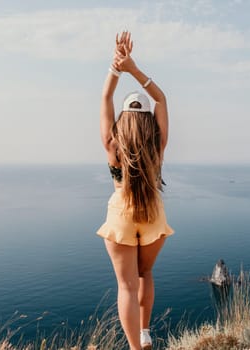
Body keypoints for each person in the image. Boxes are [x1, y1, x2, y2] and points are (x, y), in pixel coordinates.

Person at [96, 31, 174, 350]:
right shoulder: (157, 143)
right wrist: (134, 68)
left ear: (124, 119)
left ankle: (134, 347)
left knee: (126, 286)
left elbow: (105, 99)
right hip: (153, 212)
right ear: (147, 121)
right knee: (145, 273)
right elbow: (161, 99)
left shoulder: (112, 143)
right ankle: (145, 332)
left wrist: (116, 67)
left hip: (122, 214)